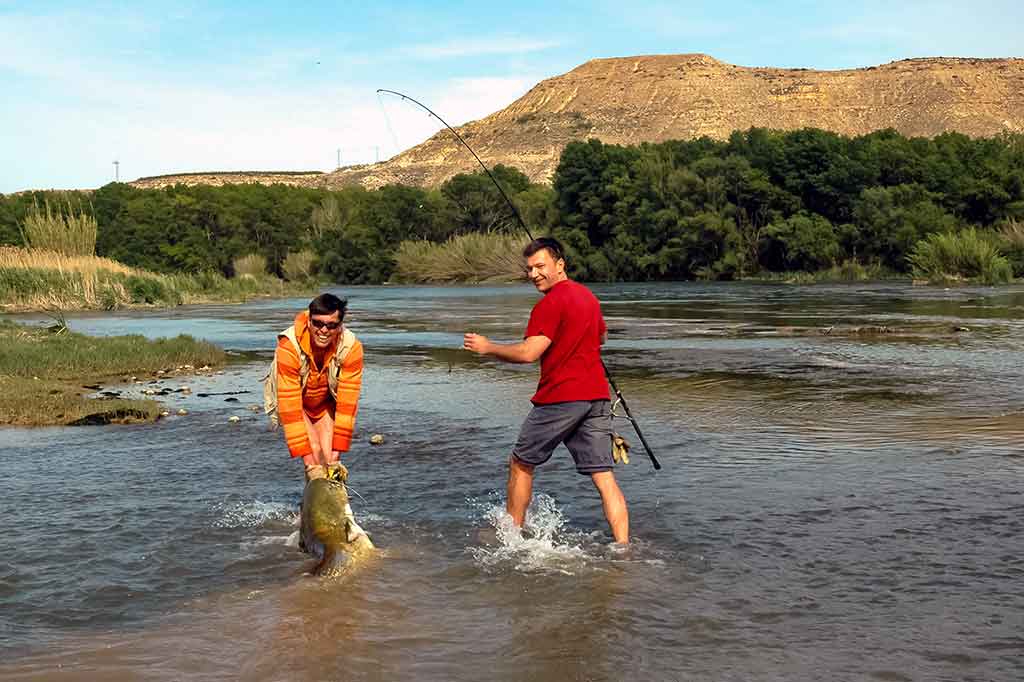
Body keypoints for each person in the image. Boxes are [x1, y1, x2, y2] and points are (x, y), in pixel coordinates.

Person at [463, 237, 629, 544]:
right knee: (604, 476)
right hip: (596, 397)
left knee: (521, 462)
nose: (534, 274)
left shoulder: (550, 304)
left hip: (561, 397)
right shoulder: (588, 297)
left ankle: (510, 537)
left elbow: (529, 353)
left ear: (560, 264)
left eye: (540, 266)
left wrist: (488, 348)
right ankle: (623, 547)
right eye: (529, 269)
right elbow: (601, 338)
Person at [275, 293, 364, 482]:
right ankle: (310, 507)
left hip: (324, 403)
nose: (323, 330)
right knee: (314, 455)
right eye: (318, 323)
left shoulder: (351, 348)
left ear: (339, 326)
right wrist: (310, 465)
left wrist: (336, 458)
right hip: (296, 404)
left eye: (331, 325)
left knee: (329, 456)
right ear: (309, 321)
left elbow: (347, 407)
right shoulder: (288, 347)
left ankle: (333, 505)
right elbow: (290, 408)